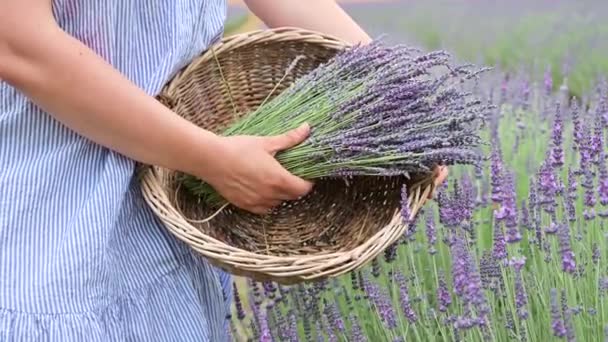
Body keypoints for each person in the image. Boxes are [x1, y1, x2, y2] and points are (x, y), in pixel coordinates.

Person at [0, 0, 448, 340]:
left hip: (163, 233)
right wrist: (212, 159)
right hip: (53, 229)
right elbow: (20, 45)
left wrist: (398, 99)